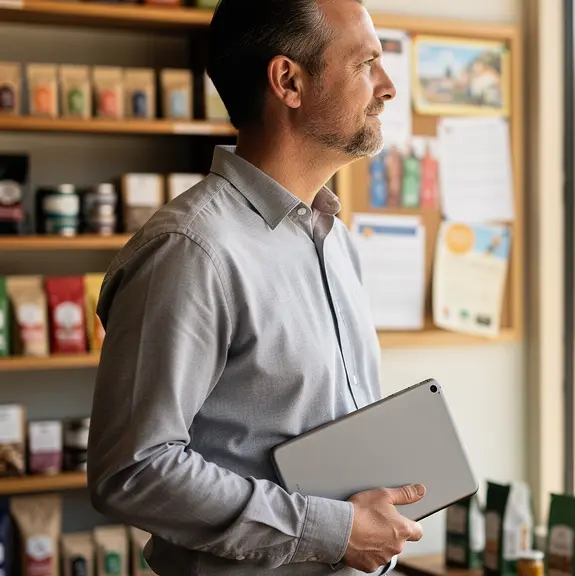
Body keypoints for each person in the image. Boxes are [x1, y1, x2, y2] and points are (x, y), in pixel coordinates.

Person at [87, 1, 425, 575]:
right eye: (367, 62)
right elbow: (134, 471)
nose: (387, 87)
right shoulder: (191, 250)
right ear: (289, 82)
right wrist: (334, 531)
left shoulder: (336, 241)